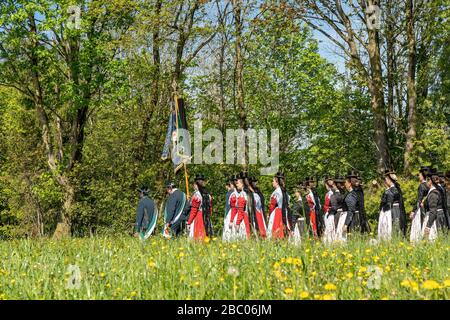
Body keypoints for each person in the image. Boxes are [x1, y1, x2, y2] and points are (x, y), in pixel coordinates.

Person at [378, 169, 404, 240]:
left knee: (391, 228)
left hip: (391, 211)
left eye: (386, 179)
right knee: (396, 228)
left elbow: (385, 203)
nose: (385, 181)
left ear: (389, 180)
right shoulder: (397, 189)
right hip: (397, 211)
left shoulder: (390, 191)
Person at [422, 169, 448, 240]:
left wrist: (428, 227)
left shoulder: (433, 193)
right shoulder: (439, 190)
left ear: (430, 181)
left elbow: (433, 211)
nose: (426, 182)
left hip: (435, 220)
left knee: (432, 240)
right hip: (440, 217)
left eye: (427, 180)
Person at [187, 174, 212, 240]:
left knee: (198, 235)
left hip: (199, 216)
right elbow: (210, 208)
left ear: (196, 184)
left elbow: (194, 210)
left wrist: (189, 222)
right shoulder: (208, 194)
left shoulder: (196, 195)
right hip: (207, 216)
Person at [335, 172, 359, 241]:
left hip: (347, 217)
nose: (344, 184)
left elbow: (351, 210)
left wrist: (346, 224)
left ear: (349, 184)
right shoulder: (349, 194)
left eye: (346, 183)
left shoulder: (352, 195)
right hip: (344, 216)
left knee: (344, 238)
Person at [267, 172, 291, 239]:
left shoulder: (276, 192)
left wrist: (269, 214)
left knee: (275, 229)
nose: (272, 182)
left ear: (277, 182)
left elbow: (272, 205)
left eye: (273, 181)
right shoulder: (285, 191)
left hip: (278, 213)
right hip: (285, 212)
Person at [410, 166, 430, 242]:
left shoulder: (422, 186)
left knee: (417, 225)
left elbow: (419, 200)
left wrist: (413, 211)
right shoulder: (428, 185)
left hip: (421, 209)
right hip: (427, 208)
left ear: (422, 176)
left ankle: (416, 241)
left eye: (419, 175)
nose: (418, 176)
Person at [230, 173, 251, 240]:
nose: (236, 184)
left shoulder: (242, 194)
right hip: (246, 216)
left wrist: (238, 223)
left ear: (242, 184)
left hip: (243, 218)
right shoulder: (247, 193)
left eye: (238, 183)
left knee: (241, 236)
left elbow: (241, 210)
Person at [223, 175, 238, 241]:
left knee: (229, 230)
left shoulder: (230, 193)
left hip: (232, 213)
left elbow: (228, 206)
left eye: (231, 183)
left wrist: (226, 216)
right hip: (238, 213)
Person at [322, 175, 336, 243]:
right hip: (326, 213)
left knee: (330, 229)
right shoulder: (327, 193)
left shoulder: (333, 193)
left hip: (330, 213)